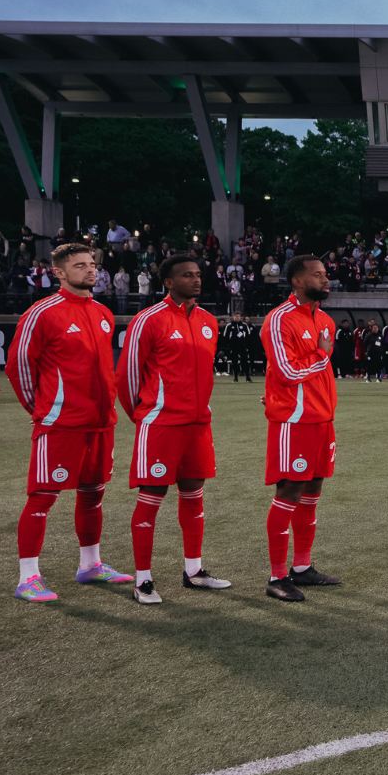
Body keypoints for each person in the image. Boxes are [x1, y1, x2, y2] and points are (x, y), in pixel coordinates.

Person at [4, 243, 133, 602]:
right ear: (58, 272)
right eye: (79, 265)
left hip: (100, 423)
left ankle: (90, 564)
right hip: (61, 424)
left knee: (93, 494)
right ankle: (28, 577)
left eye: (92, 264)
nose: (90, 270)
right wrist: (43, 410)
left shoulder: (103, 313)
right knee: (42, 497)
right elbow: (18, 366)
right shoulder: (42, 313)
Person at [116, 255, 232, 604]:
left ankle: (194, 571)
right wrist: (145, 415)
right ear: (168, 282)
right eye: (186, 275)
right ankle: (143, 580)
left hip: (197, 426)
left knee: (194, 496)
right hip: (161, 425)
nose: (196, 280)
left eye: (198, 274)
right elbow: (127, 376)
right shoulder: (148, 319)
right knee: (151, 499)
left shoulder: (208, 321)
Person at [260, 255, 342, 603]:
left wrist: (320, 359)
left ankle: (302, 567)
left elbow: (312, 372)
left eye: (325, 274)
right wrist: (321, 355)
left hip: (322, 419)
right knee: (289, 491)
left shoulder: (324, 320)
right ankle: (277, 576)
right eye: (317, 275)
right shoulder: (278, 319)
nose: (325, 279)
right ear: (296, 281)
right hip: (294, 421)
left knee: (312, 491)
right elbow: (288, 372)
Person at [225, 312, 256, 382]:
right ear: (233, 317)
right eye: (236, 316)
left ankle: (248, 377)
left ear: (240, 317)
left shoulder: (244, 325)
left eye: (238, 316)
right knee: (234, 362)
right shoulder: (229, 325)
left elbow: (248, 336)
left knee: (245, 362)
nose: (237, 318)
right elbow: (226, 337)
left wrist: (247, 346)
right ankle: (235, 377)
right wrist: (229, 347)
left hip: (243, 347)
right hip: (234, 347)